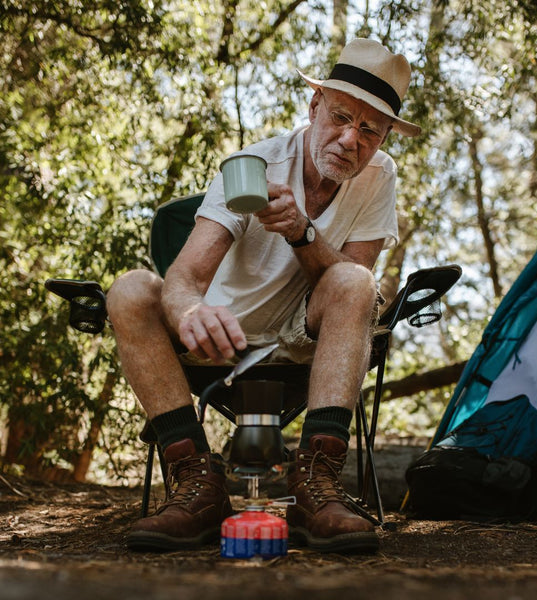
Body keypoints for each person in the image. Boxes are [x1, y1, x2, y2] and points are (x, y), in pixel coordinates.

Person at [106, 38, 421, 554]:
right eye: (340, 116)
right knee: (131, 288)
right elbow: (184, 278)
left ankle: (316, 487)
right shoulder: (254, 165)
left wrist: (303, 233)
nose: (349, 139)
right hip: (219, 336)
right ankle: (195, 484)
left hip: (303, 337)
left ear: (385, 136)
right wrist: (188, 311)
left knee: (356, 283)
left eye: (370, 130)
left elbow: (355, 279)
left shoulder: (379, 177)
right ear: (314, 105)